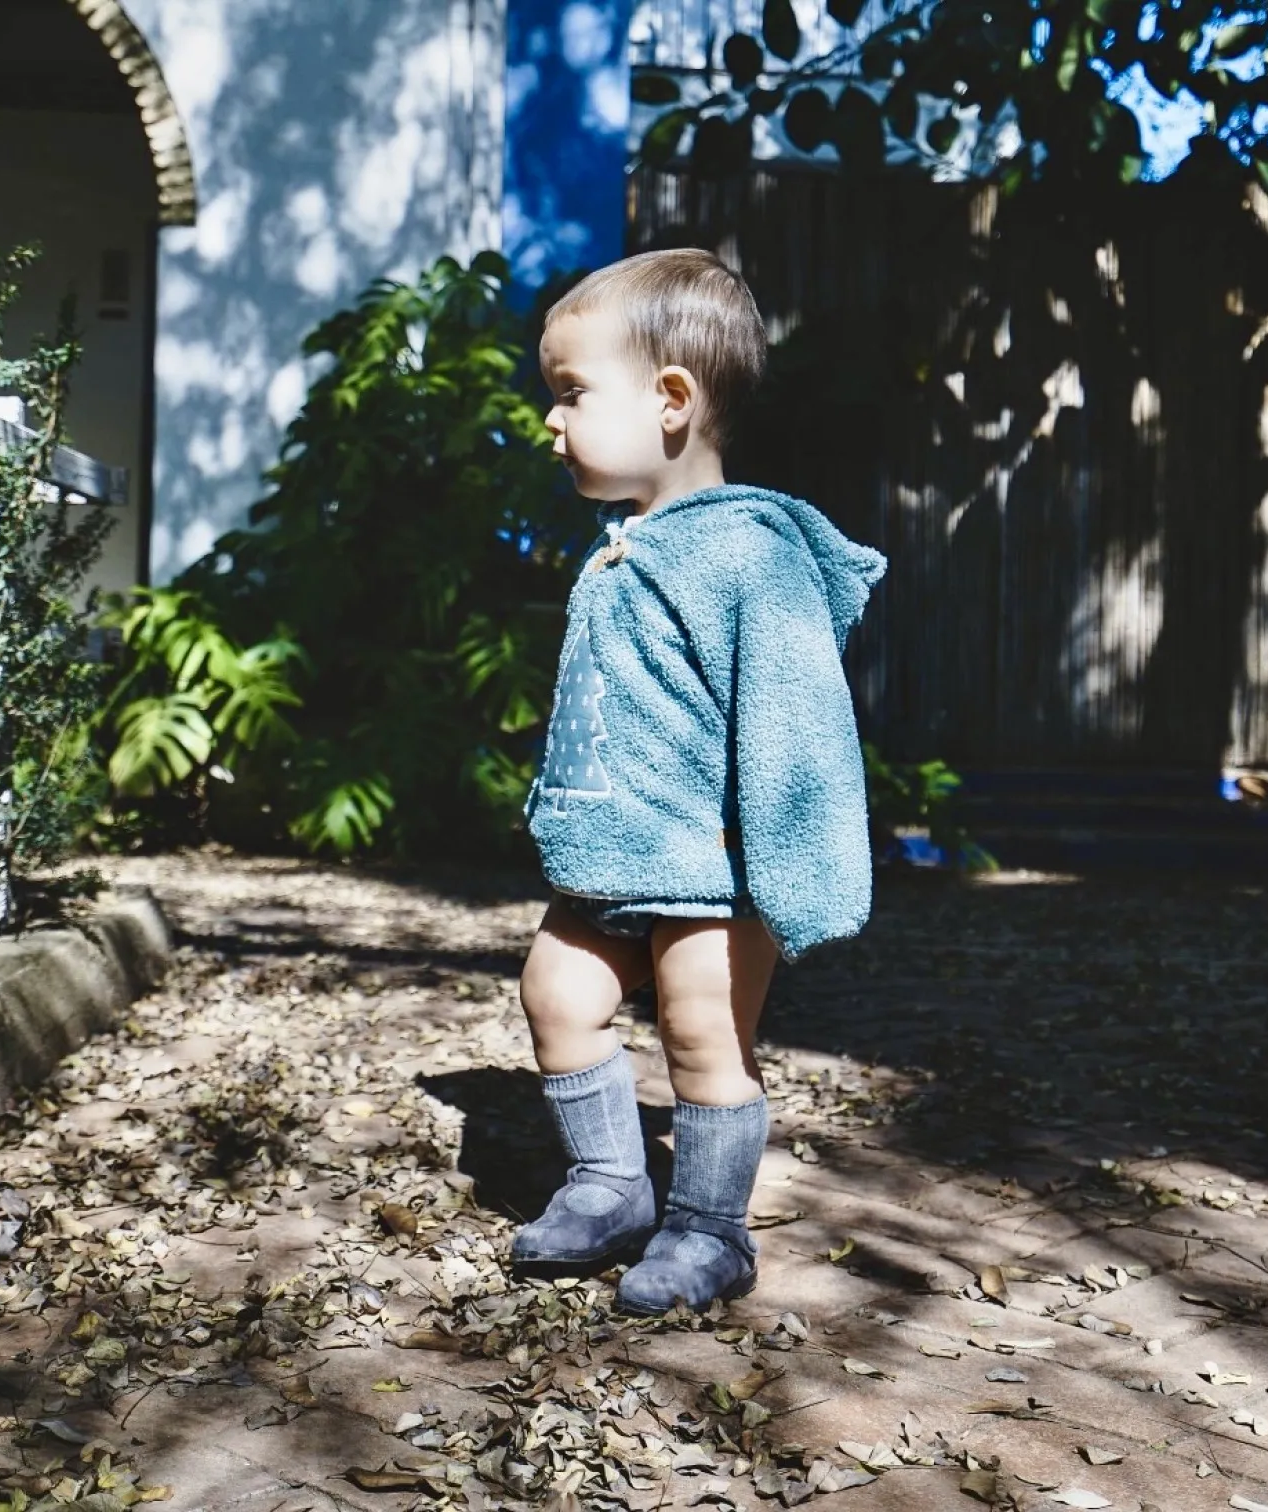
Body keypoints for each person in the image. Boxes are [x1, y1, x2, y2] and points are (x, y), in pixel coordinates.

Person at [512, 247, 886, 1315]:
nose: (552, 418)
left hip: (716, 863)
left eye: (572, 393)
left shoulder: (747, 554)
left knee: (700, 1031)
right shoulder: (628, 546)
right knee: (558, 994)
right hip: (620, 854)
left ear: (671, 401)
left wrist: (796, 863)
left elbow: (797, 718)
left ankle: (711, 1230)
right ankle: (611, 1185)